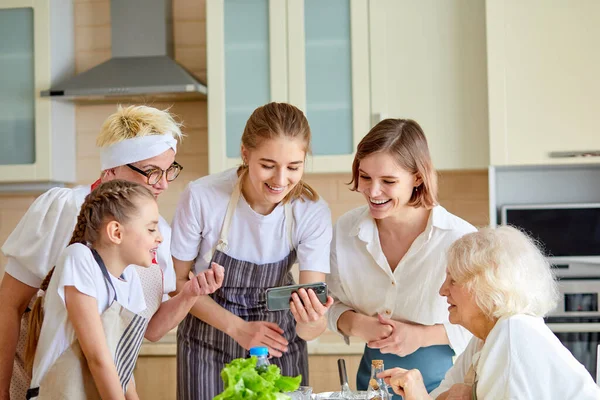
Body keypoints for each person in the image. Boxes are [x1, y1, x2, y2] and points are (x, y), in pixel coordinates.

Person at [0, 105, 217, 400]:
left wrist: (190, 292)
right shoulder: (63, 210)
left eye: (169, 170)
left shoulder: (156, 234)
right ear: (112, 169)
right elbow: (9, 306)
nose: (163, 184)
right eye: (152, 172)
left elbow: (146, 331)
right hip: (36, 381)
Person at [171, 102, 334, 399]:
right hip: (207, 348)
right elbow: (178, 284)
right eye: (268, 165)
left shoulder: (311, 212)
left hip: (278, 349)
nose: (281, 180)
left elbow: (310, 322)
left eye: (294, 167)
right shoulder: (202, 197)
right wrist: (239, 329)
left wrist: (312, 321)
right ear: (245, 153)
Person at [25, 180, 223, 399]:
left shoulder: (130, 278)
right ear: (116, 232)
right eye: (151, 228)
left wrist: (191, 292)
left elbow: (127, 357)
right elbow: (98, 358)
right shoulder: (79, 259)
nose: (159, 237)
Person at [327, 119, 475, 397]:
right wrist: (358, 324)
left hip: (444, 386)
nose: (373, 191)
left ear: (417, 177)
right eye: (365, 177)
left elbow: (483, 322)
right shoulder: (346, 231)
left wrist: (420, 336)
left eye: (388, 181)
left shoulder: (459, 238)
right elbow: (332, 304)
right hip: (370, 383)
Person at [379, 225, 600, 399]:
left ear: (486, 286)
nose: (442, 290)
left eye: (453, 279)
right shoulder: (483, 338)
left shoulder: (514, 332)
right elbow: (440, 397)